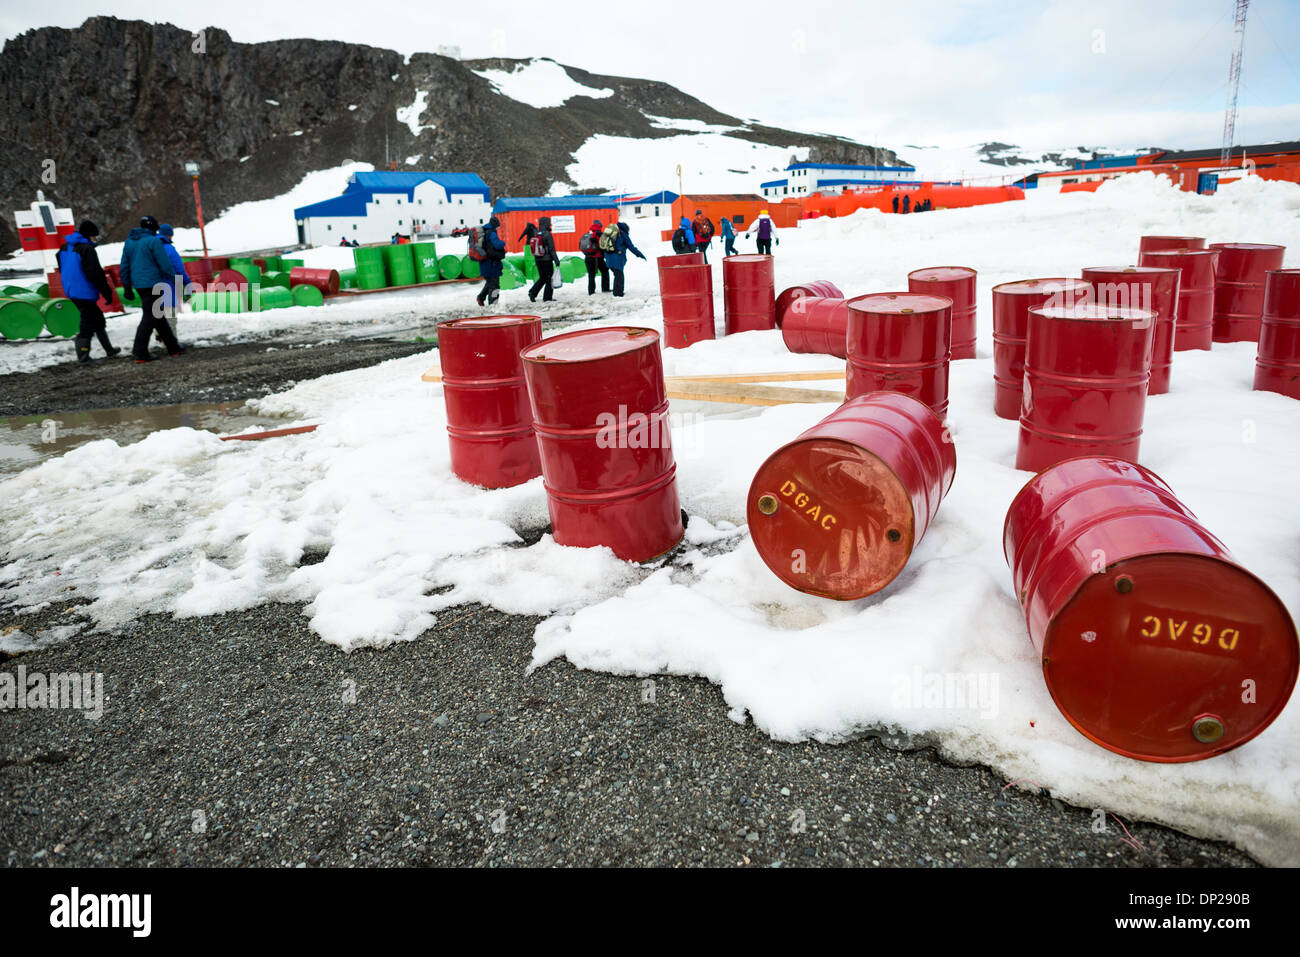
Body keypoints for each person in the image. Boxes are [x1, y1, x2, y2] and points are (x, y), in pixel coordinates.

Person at [120, 215, 183, 362]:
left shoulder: (129, 243)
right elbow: (165, 264)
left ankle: (173, 347)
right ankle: (140, 352)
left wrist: (127, 287)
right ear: (154, 228)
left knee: (157, 315)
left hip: (140, 286)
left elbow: (124, 266)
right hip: (153, 284)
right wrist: (176, 280)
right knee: (149, 318)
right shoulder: (154, 241)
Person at [57, 219, 120, 364]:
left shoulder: (64, 248)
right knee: (87, 324)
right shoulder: (87, 249)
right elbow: (96, 274)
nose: (96, 239)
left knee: (97, 318)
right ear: (88, 235)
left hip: (71, 289)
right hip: (83, 291)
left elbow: (62, 267)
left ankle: (109, 349)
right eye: (94, 236)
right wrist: (107, 292)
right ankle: (83, 357)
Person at [156, 223, 190, 343]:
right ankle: (172, 343)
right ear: (169, 236)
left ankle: (159, 335)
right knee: (170, 315)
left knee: (157, 313)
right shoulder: (169, 248)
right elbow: (179, 269)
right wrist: (188, 285)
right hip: (167, 285)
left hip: (150, 285)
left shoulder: (149, 245)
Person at [603, 222, 646, 298]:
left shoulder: (610, 234)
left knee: (617, 275)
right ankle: (618, 294)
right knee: (619, 276)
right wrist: (640, 254)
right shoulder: (623, 235)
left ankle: (617, 292)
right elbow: (631, 247)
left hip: (609, 259)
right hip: (617, 259)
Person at [475, 216, 507, 307]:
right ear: (495, 225)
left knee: (490, 282)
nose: (498, 228)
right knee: (495, 285)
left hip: (484, 262)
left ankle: (481, 298)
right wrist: (503, 243)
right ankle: (493, 304)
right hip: (492, 263)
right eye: (497, 226)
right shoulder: (492, 233)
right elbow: (497, 245)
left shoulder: (485, 231)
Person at [527, 216, 561, 303]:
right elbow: (551, 249)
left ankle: (532, 292)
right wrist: (556, 260)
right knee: (549, 279)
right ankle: (547, 298)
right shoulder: (547, 235)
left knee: (542, 278)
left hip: (538, 259)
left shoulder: (537, 233)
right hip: (547, 260)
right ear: (547, 224)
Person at [582, 219, 609, 295]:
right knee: (605, 271)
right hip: (597, 257)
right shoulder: (600, 234)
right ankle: (605, 288)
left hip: (588, 257)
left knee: (591, 274)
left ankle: (591, 291)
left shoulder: (587, 234)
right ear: (600, 226)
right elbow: (603, 246)